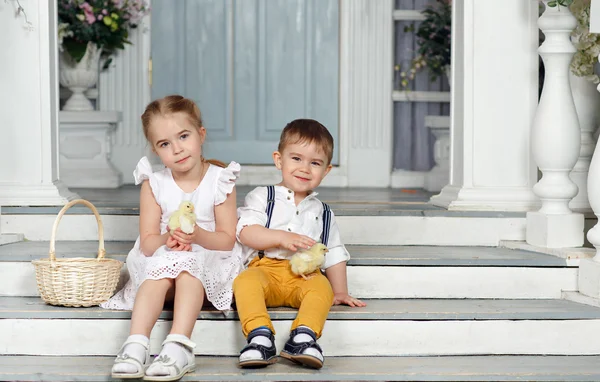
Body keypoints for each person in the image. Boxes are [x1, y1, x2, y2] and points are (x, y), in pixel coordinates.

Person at [102, 95, 242, 381]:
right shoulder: (154, 184)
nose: (177, 149)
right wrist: (168, 239)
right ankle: (136, 344)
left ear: (200, 135)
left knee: (189, 267)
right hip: (162, 260)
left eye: (183, 136)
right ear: (155, 150)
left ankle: (179, 345)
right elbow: (149, 241)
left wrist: (198, 236)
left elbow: (227, 239)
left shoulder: (220, 180)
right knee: (161, 270)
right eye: (165, 144)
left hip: (208, 257)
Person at [233, 119, 366, 370]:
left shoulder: (323, 212)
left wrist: (339, 291)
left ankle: (303, 337)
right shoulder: (264, 196)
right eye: (296, 158)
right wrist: (281, 237)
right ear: (278, 159)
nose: (304, 168)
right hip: (266, 270)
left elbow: (334, 253)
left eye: (315, 163)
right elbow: (246, 232)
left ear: (326, 171)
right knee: (245, 282)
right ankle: (259, 336)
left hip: (304, 277)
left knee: (322, 288)